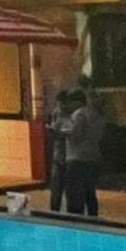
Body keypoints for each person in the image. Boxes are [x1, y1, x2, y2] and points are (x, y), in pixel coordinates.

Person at [61, 88, 104, 217]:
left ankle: (75, 221)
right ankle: (93, 219)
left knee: (74, 195)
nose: (68, 106)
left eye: (69, 102)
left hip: (77, 160)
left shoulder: (78, 114)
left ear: (76, 102)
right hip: (93, 159)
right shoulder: (94, 114)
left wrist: (62, 132)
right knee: (90, 193)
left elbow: (76, 136)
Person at [47, 90, 72, 213]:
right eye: (59, 104)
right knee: (56, 186)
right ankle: (54, 211)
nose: (60, 106)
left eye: (62, 104)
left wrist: (60, 133)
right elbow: (54, 129)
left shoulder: (75, 115)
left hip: (71, 156)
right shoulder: (57, 113)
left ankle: (72, 213)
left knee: (71, 189)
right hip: (58, 156)